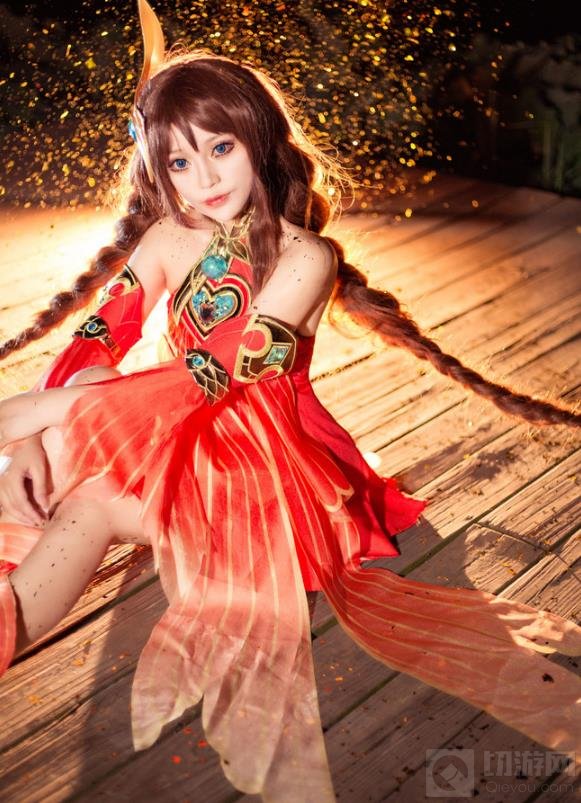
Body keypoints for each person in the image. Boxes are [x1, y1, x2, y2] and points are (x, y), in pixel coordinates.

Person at [0, 2, 579, 799]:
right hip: (170, 427)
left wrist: (44, 412)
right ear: (156, 168)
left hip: (264, 467)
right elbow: (96, 341)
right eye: (178, 162)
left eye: (220, 148)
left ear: (259, 138)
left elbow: (221, 373)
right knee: (65, 411)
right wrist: (28, 435)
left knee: (90, 490)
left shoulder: (306, 256)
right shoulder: (168, 238)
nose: (204, 179)